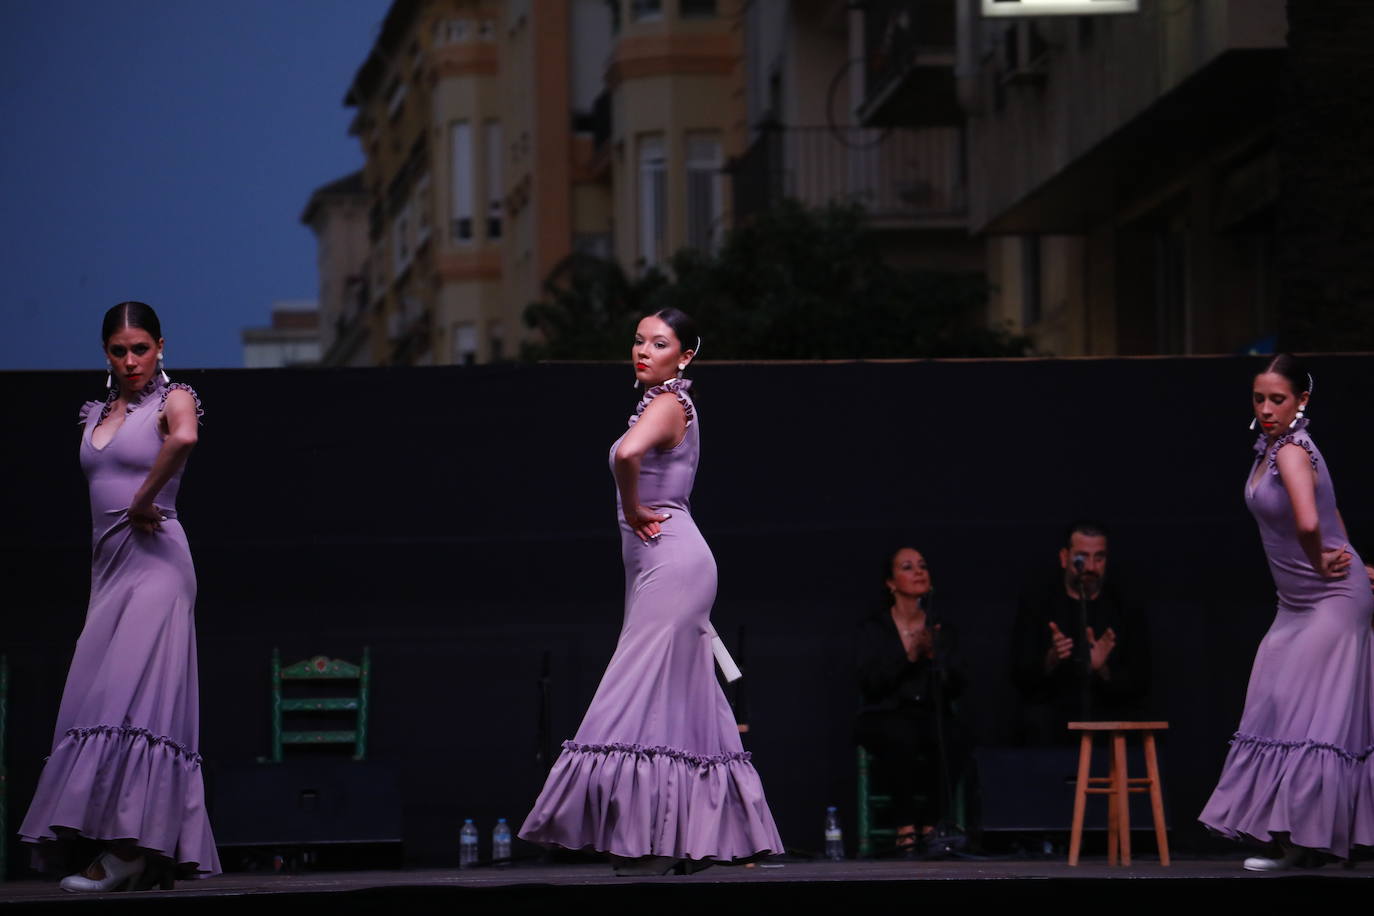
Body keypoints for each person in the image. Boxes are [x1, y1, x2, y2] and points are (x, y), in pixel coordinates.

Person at [518, 308, 782, 876]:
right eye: (638, 340)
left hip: (673, 565)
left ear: (684, 356)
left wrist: (635, 506)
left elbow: (624, 454)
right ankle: (674, 841)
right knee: (679, 707)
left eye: (659, 344)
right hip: (659, 567)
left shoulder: (668, 403)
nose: (642, 350)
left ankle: (647, 838)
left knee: (632, 694)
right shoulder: (663, 403)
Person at [19, 302, 220, 891]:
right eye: (118, 350)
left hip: (158, 564)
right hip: (109, 572)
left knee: (135, 704)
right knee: (93, 701)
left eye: (141, 348)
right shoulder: (97, 411)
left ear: (160, 346)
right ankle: (131, 850)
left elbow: (183, 438)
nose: (131, 360)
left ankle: (128, 851)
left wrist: (142, 499)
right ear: (106, 353)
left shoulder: (174, 397)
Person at [1200, 354, 1374, 870]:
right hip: (1296, 603)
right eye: (1260, 398)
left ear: (1302, 401)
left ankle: (1299, 844)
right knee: (1273, 707)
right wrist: (1349, 550)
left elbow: (1305, 518)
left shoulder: (1293, 452)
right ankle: (1299, 838)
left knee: (1313, 720)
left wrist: (1326, 553)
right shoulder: (1271, 448)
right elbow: (1330, 507)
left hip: (1330, 601)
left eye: (1279, 398)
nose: (1268, 407)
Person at [855, 547, 968, 854]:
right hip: (885, 712)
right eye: (908, 567)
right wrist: (910, 656)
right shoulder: (875, 628)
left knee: (951, 736)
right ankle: (905, 825)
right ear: (891, 582)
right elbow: (870, 683)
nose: (919, 572)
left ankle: (933, 825)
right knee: (899, 736)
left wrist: (934, 659)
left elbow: (958, 684)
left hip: (929, 712)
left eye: (922, 566)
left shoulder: (941, 628)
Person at [1009, 521, 1150, 744]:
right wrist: (1051, 660)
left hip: (1108, 723)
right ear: (1065, 558)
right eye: (1082, 558)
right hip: (1051, 726)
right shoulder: (1039, 604)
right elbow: (1020, 675)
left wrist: (1102, 669)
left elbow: (1141, 679)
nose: (1091, 567)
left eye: (1099, 558)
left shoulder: (1124, 607)